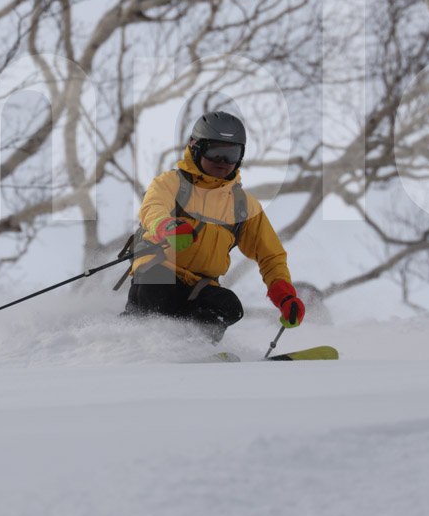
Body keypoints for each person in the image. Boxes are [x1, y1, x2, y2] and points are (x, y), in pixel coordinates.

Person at [125, 110, 305, 343]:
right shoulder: (172, 183)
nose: (223, 162)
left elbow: (270, 255)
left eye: (231, 154)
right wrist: (167, 227)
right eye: (215, 152)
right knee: (158, 291)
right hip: (158, 269)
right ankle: (135, 345)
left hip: (199, 286)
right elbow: (153, 208)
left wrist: (284, 295)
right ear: (197, 149)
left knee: (229, 307)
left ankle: (198, 351)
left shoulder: (243, 206)